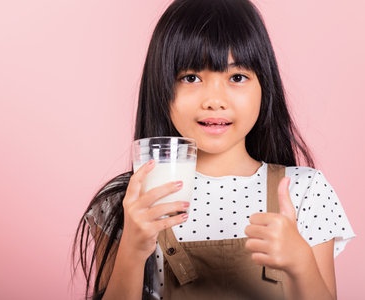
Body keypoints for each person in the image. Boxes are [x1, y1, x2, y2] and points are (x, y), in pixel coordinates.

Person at [72, 0, 355, 299]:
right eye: (191, 78)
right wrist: (131, 250)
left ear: (265, 86)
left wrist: (302, 264)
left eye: (237, 77)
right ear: (161, 86)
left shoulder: (305, 191)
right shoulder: (125, 202)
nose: (214, 100)